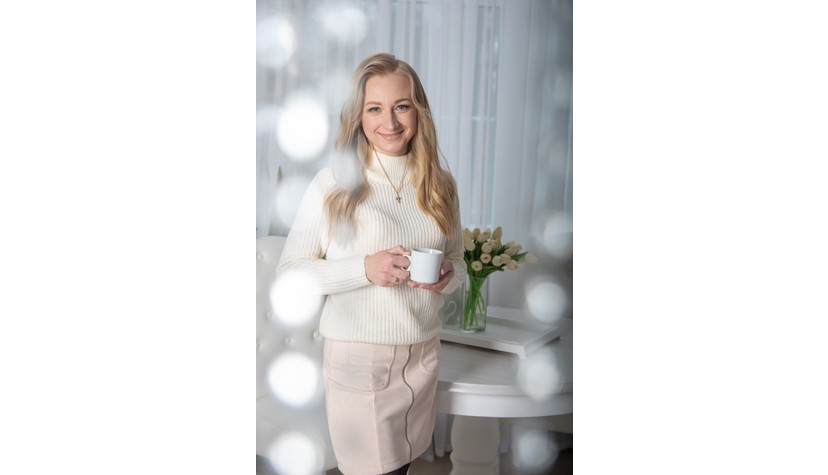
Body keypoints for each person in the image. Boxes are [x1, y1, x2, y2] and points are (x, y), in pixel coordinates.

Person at [277, 52, 466, 475]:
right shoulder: (333, 183)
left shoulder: (440, 184)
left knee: (403, 467)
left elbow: (458, 260)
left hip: (423, 356)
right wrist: (364, 268)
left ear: (419, 111)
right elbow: (290, 273)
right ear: (358, 116)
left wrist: (449, 275)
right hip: (360, 363)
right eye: (375, 109)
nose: (390, 122)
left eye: (402, 106)